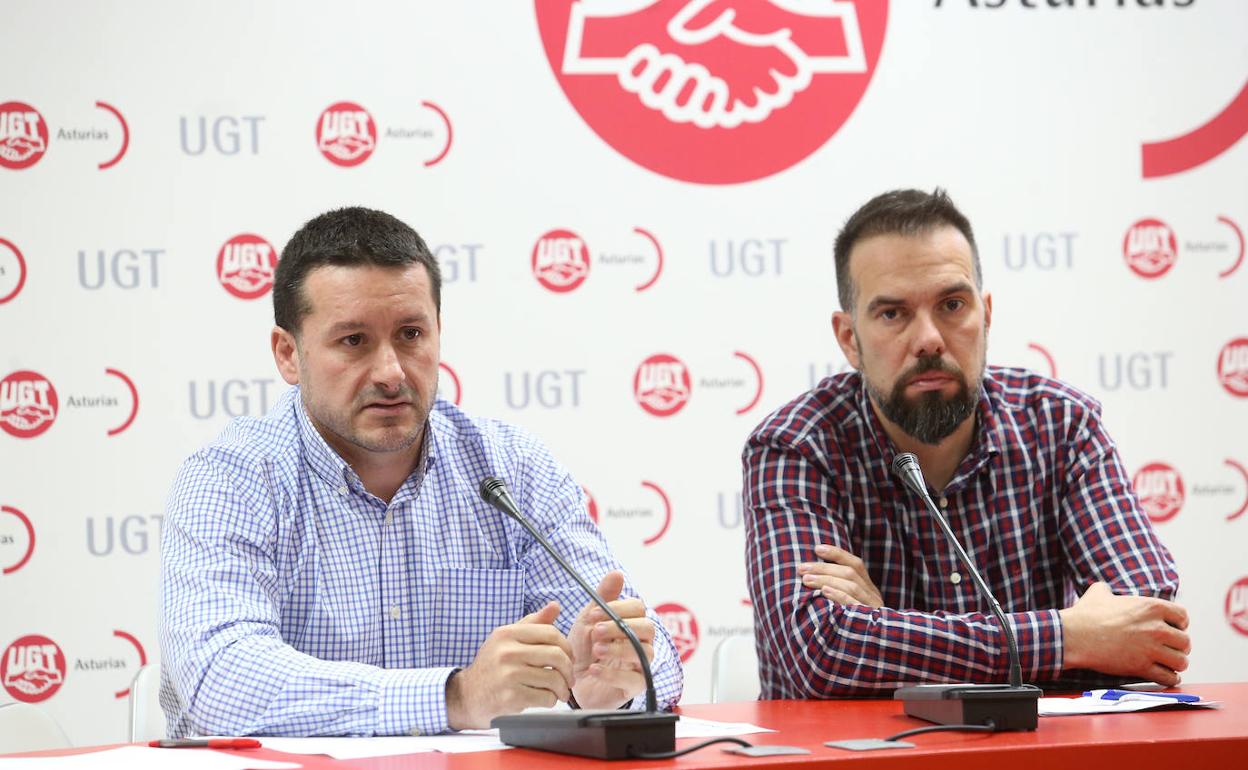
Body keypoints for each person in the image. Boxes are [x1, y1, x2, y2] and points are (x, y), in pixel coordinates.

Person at [159, 207, 683, 737]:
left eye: (410, 334)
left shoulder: (511, 470)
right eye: (353, 341)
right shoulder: (231, 479)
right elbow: (217, 682)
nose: (390, 372)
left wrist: (602, 691)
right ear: (288, 354)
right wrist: (456, 696)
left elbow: (651, 656)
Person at [743, 189, 1189, 698]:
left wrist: (886, 628)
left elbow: (1152, 633)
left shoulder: (1062, 426)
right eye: (893, 314)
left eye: (952, 305)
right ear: (849, 338)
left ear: (987, 313)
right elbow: (820, 656)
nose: (930, 338)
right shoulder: (796, 446)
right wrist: (1070, 637)